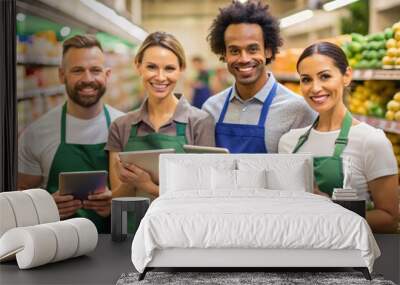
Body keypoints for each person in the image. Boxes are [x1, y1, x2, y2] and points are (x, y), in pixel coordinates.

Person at [279, 41, 399, 233]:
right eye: (306, 79)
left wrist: (331, 212)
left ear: (346, 76)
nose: (315, 88)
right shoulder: (289, 142)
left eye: (325, 76)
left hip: (349, 259)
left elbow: (390, 218)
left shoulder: (371, 140)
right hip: (299, 253)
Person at [18, 34, 125, 233]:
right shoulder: (36, 134)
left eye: (95, 70)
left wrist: (118, 203)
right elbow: (18, 199)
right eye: (77, 70)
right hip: (55, 249)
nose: (87, 79)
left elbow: (141, 196)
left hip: (115, 249)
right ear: (61, 75)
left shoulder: (125, 127)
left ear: (107, 75)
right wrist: (44, 207)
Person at [106, 32, 215, 199]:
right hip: (132, 225)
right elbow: (117, 199)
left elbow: (203, 195)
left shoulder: (199, 122)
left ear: (181, 70)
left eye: (169, 68)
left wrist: (147, 186)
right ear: (138, 66)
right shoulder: (120, 126)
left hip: (180, 224)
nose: (160, 77)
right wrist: (129, 180)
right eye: (151, 67)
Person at [202, 0, 315, 154]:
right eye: (234, 51)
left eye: (253, 49)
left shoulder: (298, 110)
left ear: (268, 50)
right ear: (224, 54)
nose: (244, 59)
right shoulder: (211, 108)